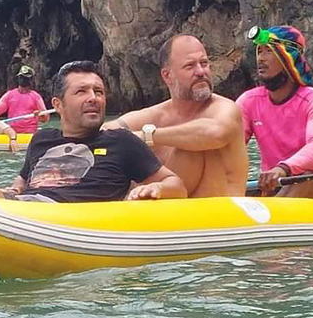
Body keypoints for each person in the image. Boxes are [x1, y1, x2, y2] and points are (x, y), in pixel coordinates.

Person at [0, 60, 187, 202]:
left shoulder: (121, 142)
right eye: (82, 91)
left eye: (98, 91)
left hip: (68, 215)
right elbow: (22, 181)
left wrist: (157, 188)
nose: (93, 98)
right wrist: (12, 190)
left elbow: (178, 185)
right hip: (26, 205)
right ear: (58, 104)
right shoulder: (42, 139)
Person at [103, 34, 247, 197]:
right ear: (167, 76)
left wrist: (147, 136)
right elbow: (106, 133)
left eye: (204, 63)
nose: (200, 72)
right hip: (167, 217)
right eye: (190, 66)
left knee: (189, 147)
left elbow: (216, 133)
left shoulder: (226, 108)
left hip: (222, 217)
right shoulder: (154, 116)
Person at [237, 25, 313, 199]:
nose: (260, 58)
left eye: (268, 51)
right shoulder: (248, 101)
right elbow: (232, 144)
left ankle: (270, 220)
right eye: (259, 52)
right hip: (273, 184)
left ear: (288, 57)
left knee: (304, 182)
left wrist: (282, 169)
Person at [0, 65, 50, 133]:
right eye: (21, 77)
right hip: (13, 132)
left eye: (25, 78)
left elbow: (45, 118)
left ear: (30, 80)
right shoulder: (9, 95)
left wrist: (40, 115)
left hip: (29, 132)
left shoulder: (36, 97)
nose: (22, 79)